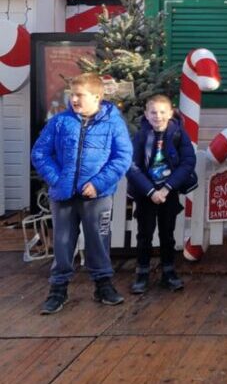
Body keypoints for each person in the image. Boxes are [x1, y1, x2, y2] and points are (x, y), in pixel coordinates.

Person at [31, 73, 133, 314]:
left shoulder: (113, 124)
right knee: (63, 242)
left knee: (98, 239)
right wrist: (57, 180)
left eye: (80, 95)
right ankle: (58, 289)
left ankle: (103, 285)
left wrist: (98, 183)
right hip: (63, 196)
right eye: (72, 95)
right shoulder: (59, 122)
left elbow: (122, 158)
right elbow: (40, 153)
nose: (74, 99)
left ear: (97, 96)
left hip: (97, 195)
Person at [127, 94, 198, 294]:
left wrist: (167, 188)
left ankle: (169, 271)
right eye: (153, 112)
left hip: (169, 191)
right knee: (144, 234)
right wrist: (150, 191)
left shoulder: (178, 134)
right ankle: (142, 272)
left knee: (167, 234)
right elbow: (132, 166)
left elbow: (187, 162)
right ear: (146, 115)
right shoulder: (141, 136)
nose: (158, 116)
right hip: (146, 194)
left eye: (162, 112)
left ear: (170, 113)